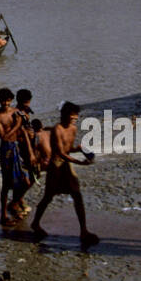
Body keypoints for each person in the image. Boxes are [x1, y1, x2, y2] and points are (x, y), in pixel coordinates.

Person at [31, 103, 98, 246]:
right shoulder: (57, 129)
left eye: (76, 115)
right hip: (55, 166)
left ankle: (84, 230)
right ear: (64, 115)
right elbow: (60, 152)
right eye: (72, 115)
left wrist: (78, 149)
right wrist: (80, 163)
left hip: (66, 165)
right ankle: (35, 223)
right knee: (48, 196)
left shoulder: (73, 128)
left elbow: (68, 149)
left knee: (77, 195)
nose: (75, 118)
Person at [0, 89, 33, 224]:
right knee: (6, 184)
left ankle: (15, 203)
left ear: (11, 100)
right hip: (7, 150)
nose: (6, 103)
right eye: (3, 100)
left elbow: (24, 133)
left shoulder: (15, 112)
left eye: (8, 100)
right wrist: (17, 125)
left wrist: (31, 152)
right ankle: (3, 216)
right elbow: (4, 136)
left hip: (17, 148)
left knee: (25, 181)